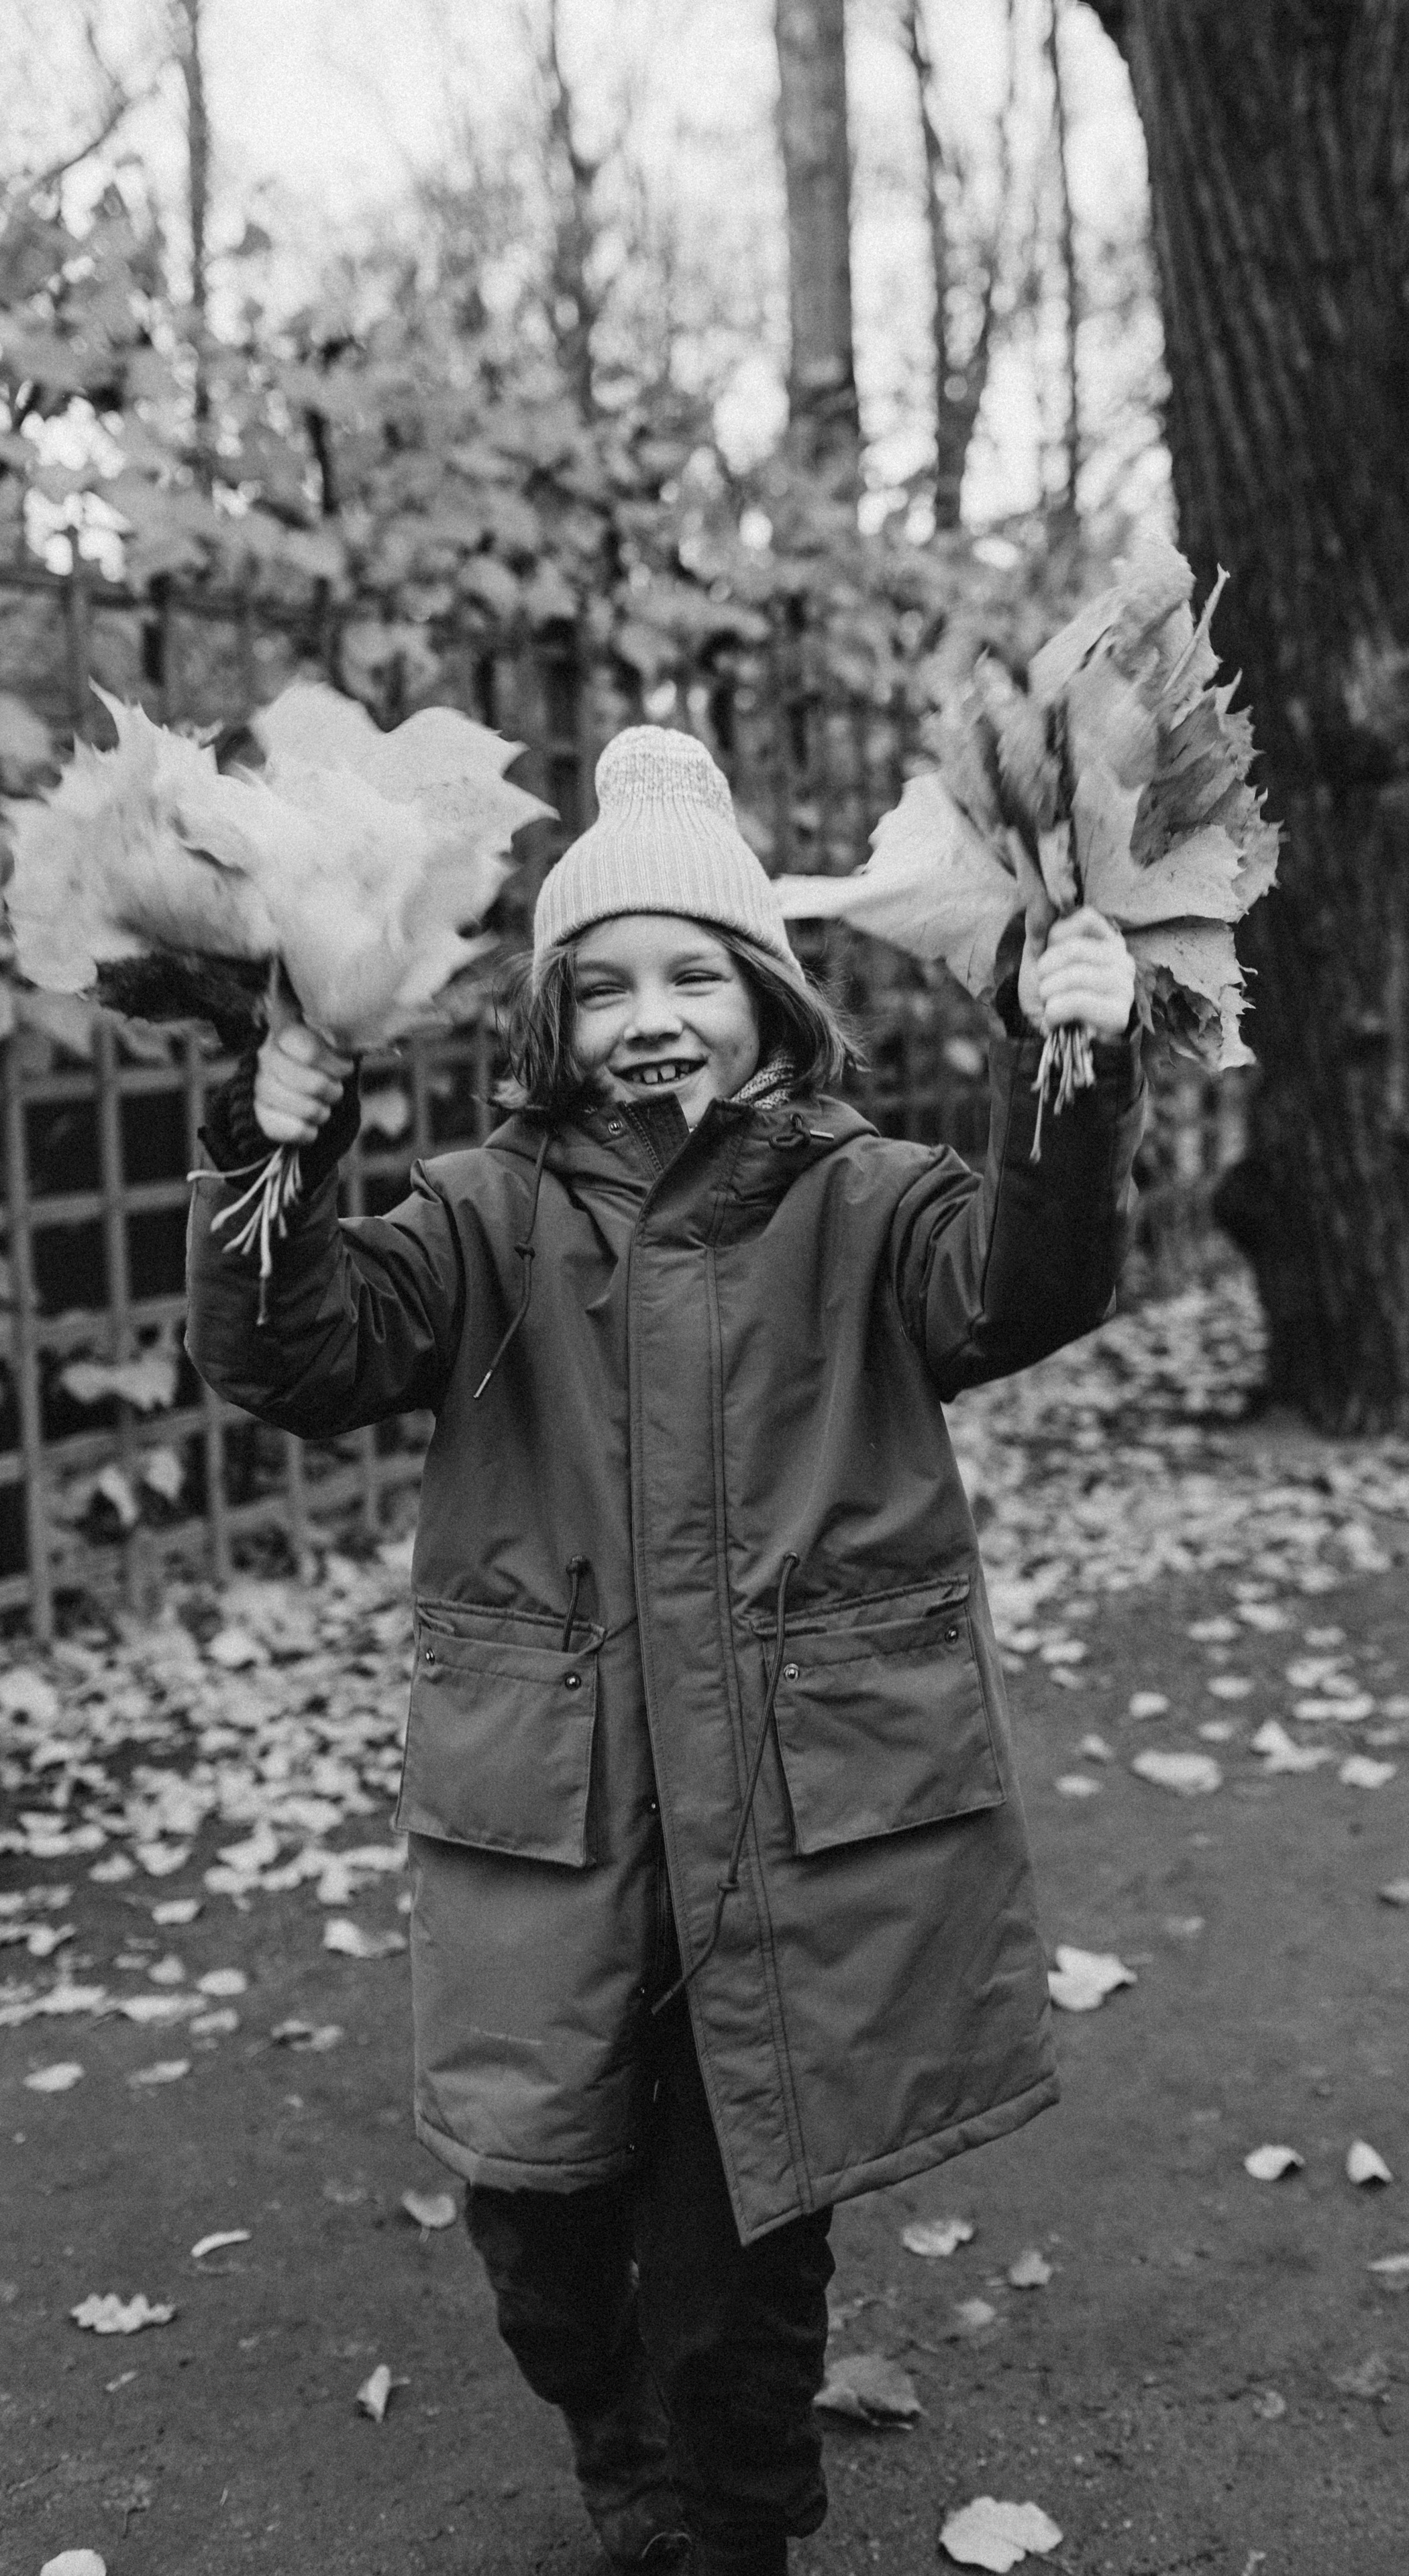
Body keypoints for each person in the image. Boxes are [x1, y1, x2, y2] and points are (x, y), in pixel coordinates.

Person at [185, 724, 1146, 2576]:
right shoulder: (484, 1217)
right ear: (547, 1023)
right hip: (553, 1827)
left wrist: (1071, 1068)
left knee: (743, 2269)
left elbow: (1029, 1277)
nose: (653, 1015)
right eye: (604, 982)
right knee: (539, 2229)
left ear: (771, 1009)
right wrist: (274, 1149)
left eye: (696, 974)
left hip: (789, 1837)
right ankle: (620, 2450)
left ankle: (730, 2521)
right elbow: (295, 1354)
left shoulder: (870, 1204)